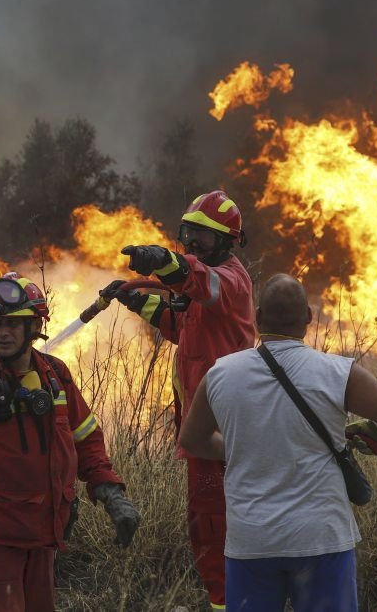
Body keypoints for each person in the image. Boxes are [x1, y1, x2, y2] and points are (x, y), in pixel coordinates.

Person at [178, 273, 377, 612]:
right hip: (321, 540)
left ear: (258, 317)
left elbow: (192, 440)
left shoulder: (221, 373)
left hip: (252, 542)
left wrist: (243, 448)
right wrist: (376, 430)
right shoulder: (336, 372)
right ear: (308, 317)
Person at [0, 271, 141, 612]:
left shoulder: (57, 377)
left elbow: (87, 441)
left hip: (45, 537)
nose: (1, 332)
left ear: (34, 327)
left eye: (12, 324)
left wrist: (111, 494)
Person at [101, 190, 255, 611]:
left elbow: (199, 282)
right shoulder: (202, 282)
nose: (193, 243)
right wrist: (141, 303)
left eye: (203, 237)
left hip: (223, 430)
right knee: (206, 524)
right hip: (204, 427)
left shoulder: (230, 280)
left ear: (228, 241)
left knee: (215, 524)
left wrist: (165, 262)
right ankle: (226, 599)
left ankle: (229, 602)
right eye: (189, 233)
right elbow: (183, 326)